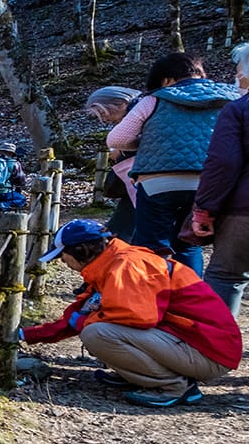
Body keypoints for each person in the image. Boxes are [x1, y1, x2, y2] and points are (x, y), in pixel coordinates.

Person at [22, 218, 241, 407]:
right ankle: (144, 377)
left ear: (80, 250)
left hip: (208, 352)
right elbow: (82, 311)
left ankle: (173, 386)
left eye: (63, 257)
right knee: (97, 328)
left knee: (97, 334)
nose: (63, 263)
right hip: (196, 344)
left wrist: (83, 323)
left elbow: (138, 317)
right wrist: (27, 335)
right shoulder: (111, 264)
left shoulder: (126, 266)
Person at [105, 53, 239, 274]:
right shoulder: (231, 97)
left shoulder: (155, 99)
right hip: (208, 182)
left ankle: (151, 297)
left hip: (158, 181)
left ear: (166, 79)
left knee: (150, 245)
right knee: (187, 243)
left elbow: (116, 139)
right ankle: (187, 298)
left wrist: (148, 142)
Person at [191, 49, 249, 314]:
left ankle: (214, 350)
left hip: (244, 211)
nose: (236, 78)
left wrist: (204, 209)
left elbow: (223, 163)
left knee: (226, 276)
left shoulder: (238, 110)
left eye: (238, 71)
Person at [82, 85, 142, 239]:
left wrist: (121, 150)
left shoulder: (139, 114)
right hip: (137, 179)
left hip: (143, 178)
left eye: (103, 112)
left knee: (125, 227)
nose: (104, 119)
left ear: (120, 103)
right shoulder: (137, 113)